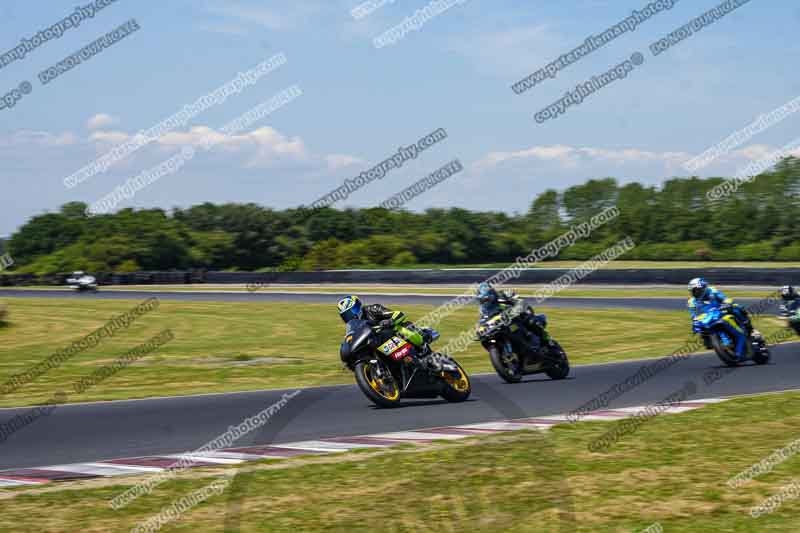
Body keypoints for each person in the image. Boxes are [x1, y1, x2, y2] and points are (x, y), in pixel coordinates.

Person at [337, 295, 442, 370]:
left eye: (351, 312)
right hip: (380, 342)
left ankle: (422, 347)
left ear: (358, 307)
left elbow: (398, 314)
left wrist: (389, 321)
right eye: (346, 315)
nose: (350, 316)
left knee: (401, 328)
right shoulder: (354, 326)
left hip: (393, 332)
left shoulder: (373, 309)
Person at [687, 277, 760, 358]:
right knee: (702, 331)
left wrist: (727, 303)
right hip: (709, 318)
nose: (695, 293)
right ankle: (715, 343)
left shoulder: (712, 291)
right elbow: (694, 316)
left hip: (721, 310)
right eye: (693, 291)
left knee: (737, 308)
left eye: (697, 290)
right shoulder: (691, 302)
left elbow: (724, 298)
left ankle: (751, 330)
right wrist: (695, 324)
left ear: (703, 288)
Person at [476, 282, 548, 349]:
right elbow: (482, 321)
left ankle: (547, 342)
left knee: (531, 321)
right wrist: (479, 330)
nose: (485, 302)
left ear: (492, 294)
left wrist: (512, 312)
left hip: (518, 316)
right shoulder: (484, 310)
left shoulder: (504, 294)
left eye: (487, 299)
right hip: (504, 326)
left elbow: (521, 302)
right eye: (482, 301)